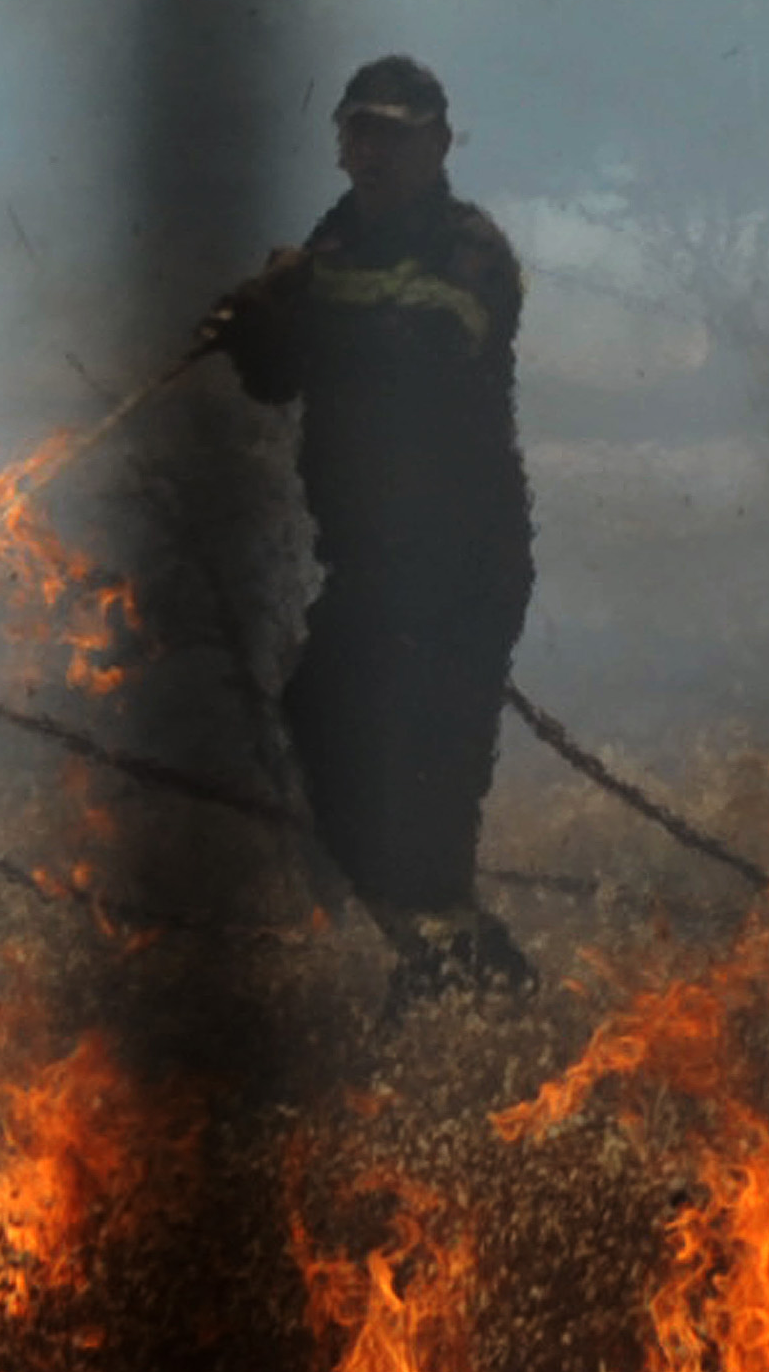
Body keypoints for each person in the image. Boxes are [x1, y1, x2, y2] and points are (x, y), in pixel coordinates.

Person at [197, 54, 538, 1010]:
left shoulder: (472, 250)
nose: (376, 150)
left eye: (396, 132)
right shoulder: (330, 247)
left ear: (438, 144)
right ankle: (441, 957)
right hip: (372, 565)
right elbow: (280, 382)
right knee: (317, 729)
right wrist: (250, 329)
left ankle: (473, 976)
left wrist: (299, 320)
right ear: (340, 146)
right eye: (360, 131)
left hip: (463, 564)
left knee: (430, 777)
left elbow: (424, 355)